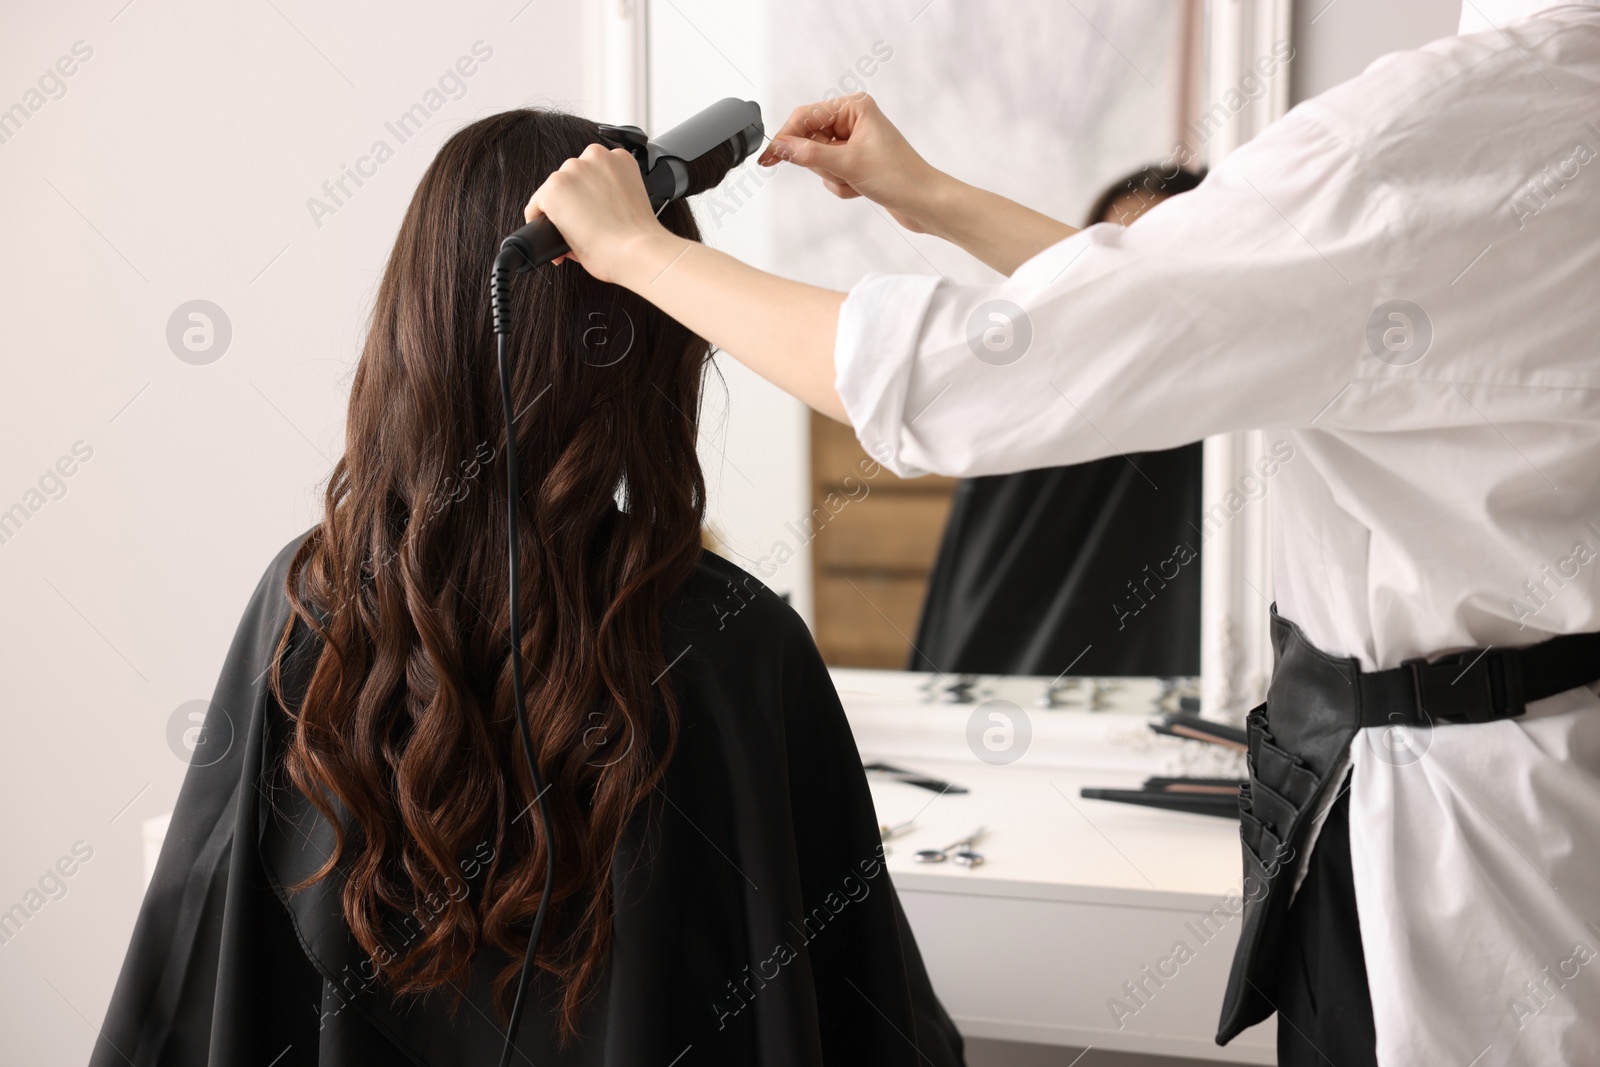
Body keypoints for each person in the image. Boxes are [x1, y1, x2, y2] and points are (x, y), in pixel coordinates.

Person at [521, 3, 1600, 1064]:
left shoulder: (1446, 123)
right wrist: (932, 198)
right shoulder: (1541, 106)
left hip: (1455, 867)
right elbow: (1192, 315)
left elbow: (945, 381)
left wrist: (637, 252)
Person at [90, 110, 965, 1067]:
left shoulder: (310, 600)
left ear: (419, 322)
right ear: (653, 342)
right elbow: (869, 1018)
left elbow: (186, 990)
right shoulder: (739, 644)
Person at [911, 164, 1206, 678]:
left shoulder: (1224, 417)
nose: (1124, 286)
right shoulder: (1030, 395)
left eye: (1154, 254)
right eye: (1111, 252)